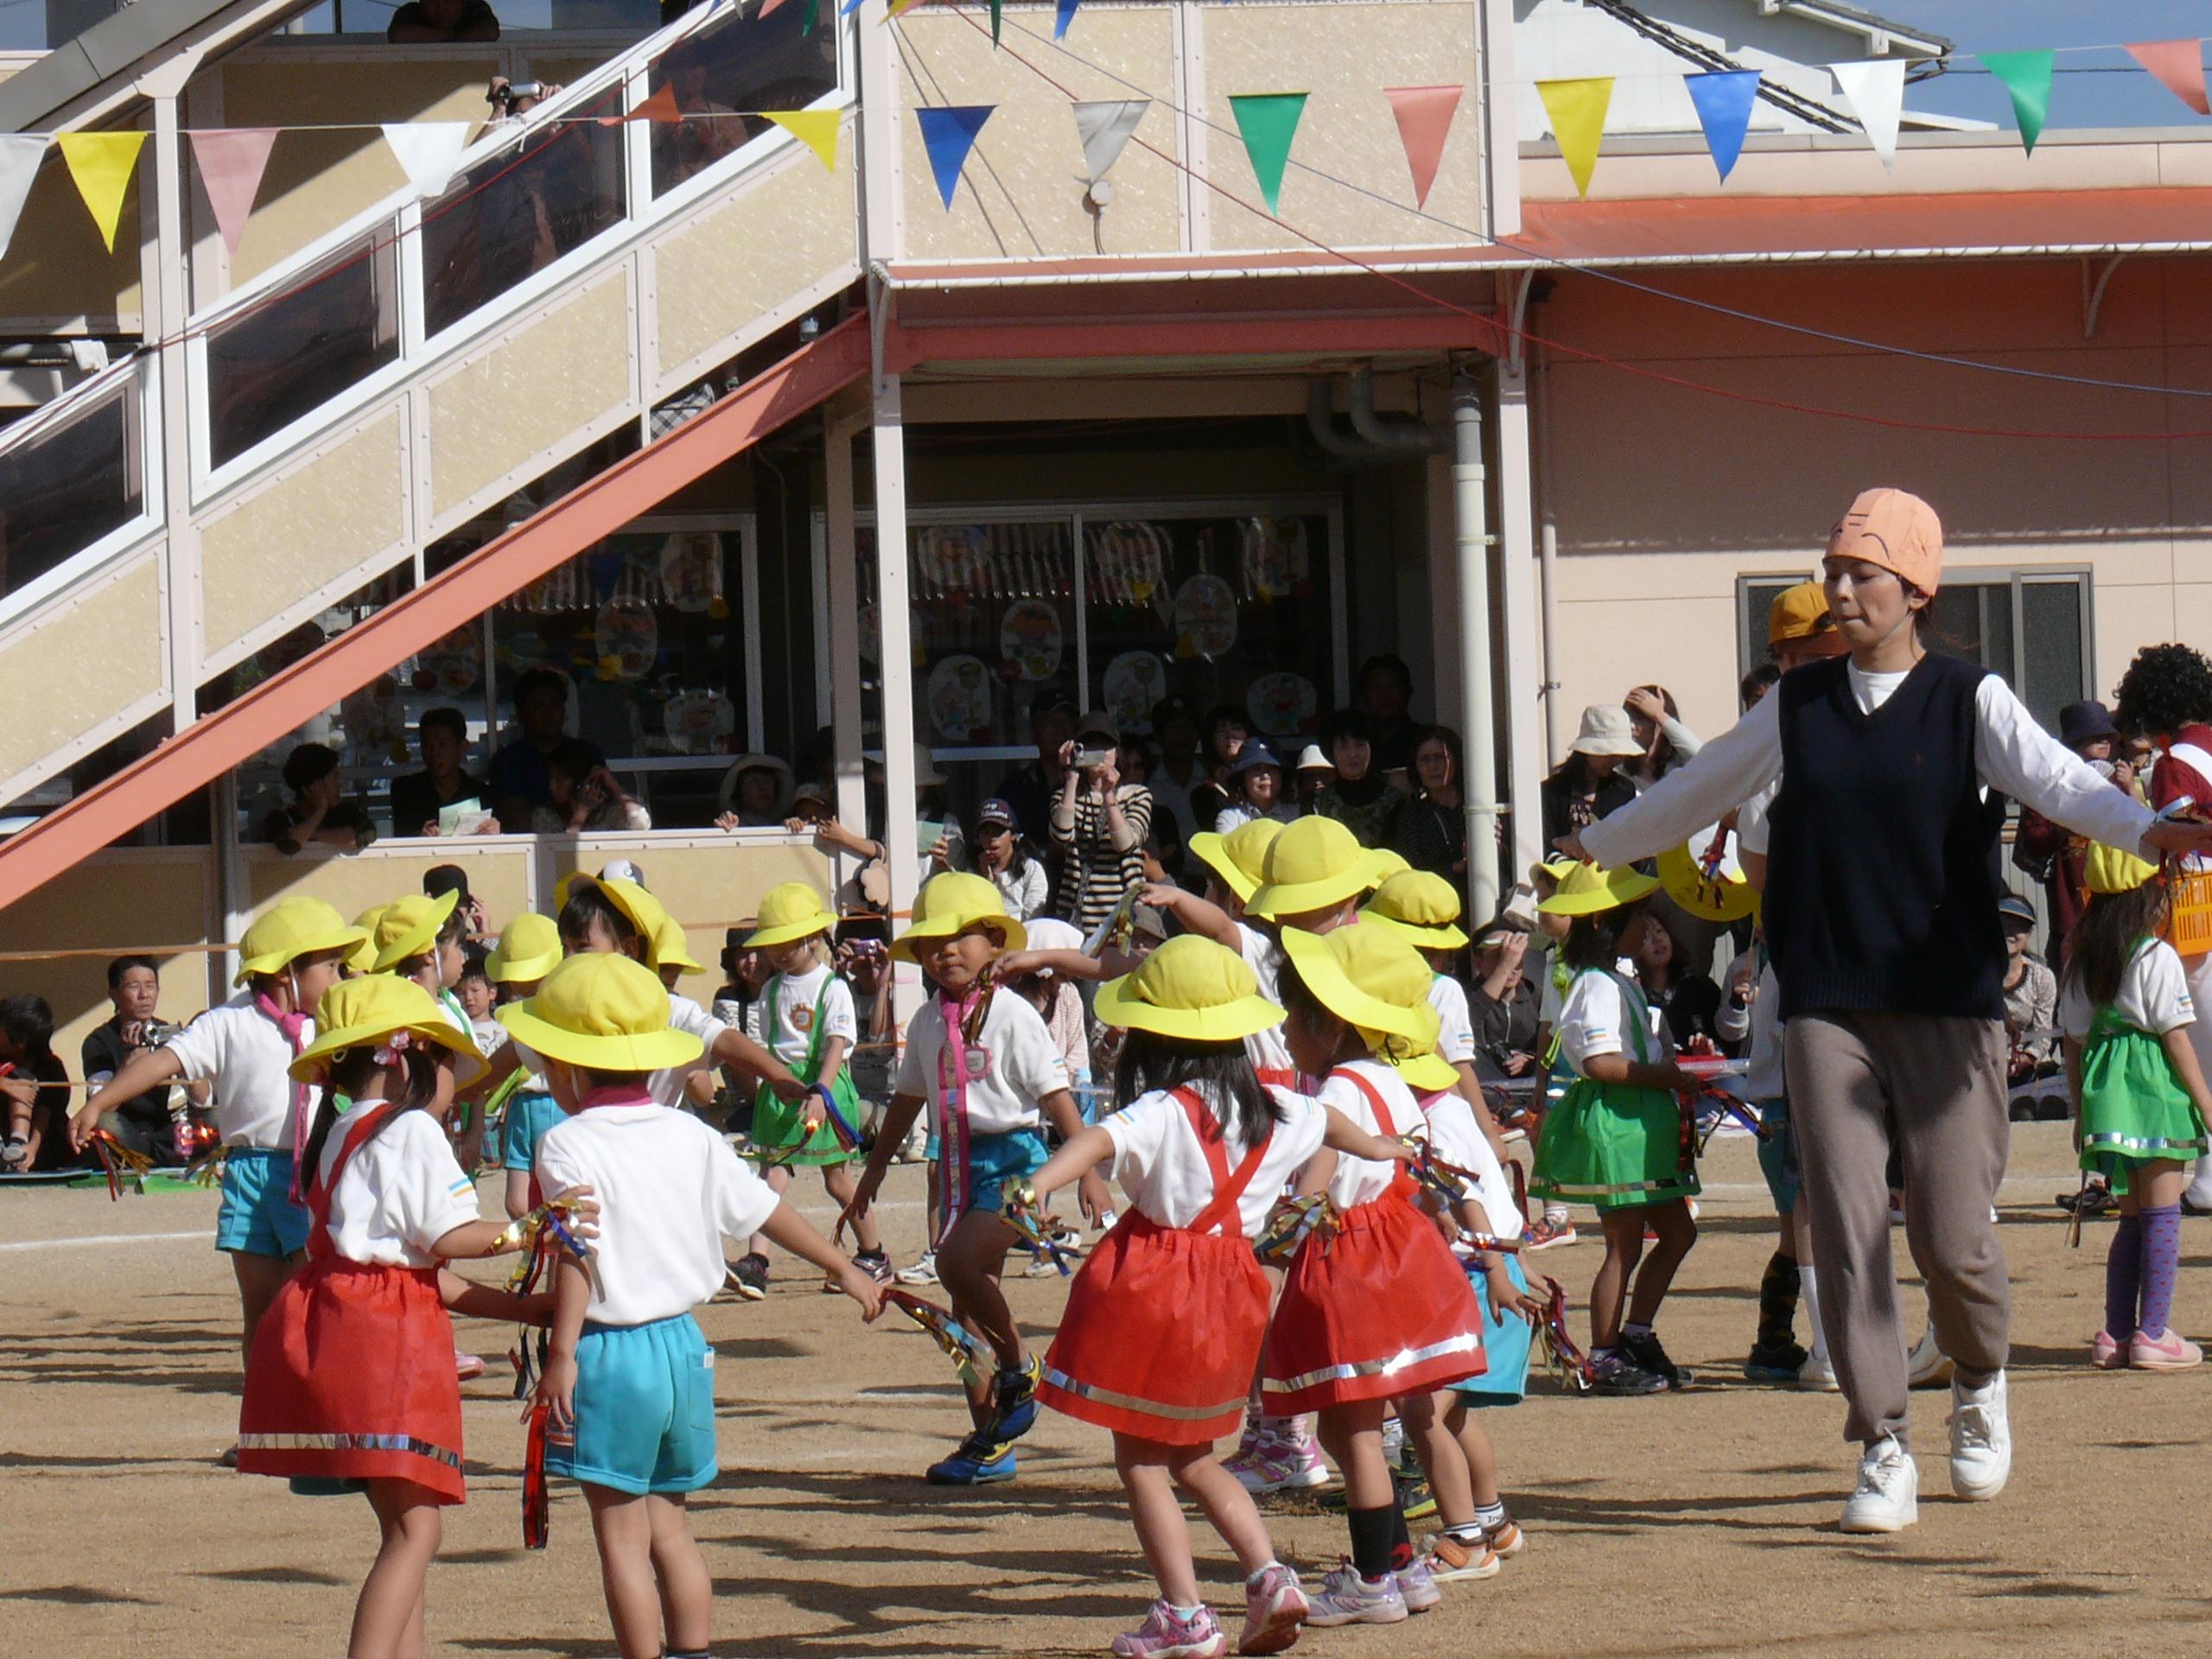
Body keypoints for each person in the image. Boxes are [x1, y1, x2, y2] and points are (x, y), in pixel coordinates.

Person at [1571, 488, 2212, 1533]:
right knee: (1847, 1225)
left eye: (1859, 573)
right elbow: (1702, 784)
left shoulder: (1967, 697)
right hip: (1825, 997)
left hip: (1947, 1001)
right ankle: (1880, 1445)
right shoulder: (1798, 704)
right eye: (1831, 572)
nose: (1839, 590)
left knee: (1954, 1239)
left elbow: (2059, 785)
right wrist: (1597, 844)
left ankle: (1978, 1379)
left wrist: (2148, 833)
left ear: (1915, 588)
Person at [1023, 936, 1414, 1659]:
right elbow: (1329, 1121)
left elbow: (1097, 1142)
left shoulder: (1162, 1108)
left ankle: (1184, 1616)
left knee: (1143, 1462)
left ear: (1153, 1037)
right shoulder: (1277, 1105)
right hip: (1235, 1288)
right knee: (1196, 1456)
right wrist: (1378, 1148)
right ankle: (1269, 1577)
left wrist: (1040, 1183)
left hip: (1156, 1283)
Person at [512, 953, 883, 1659]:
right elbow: (764, 1210)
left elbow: (577, 1253)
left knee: (621, 1541)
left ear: (566, 1068)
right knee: (672, 1531)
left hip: (611, 1354)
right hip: (684, 1349)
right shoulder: (693, 1134)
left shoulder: (565, 1142)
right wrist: (843, 1265)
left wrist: (559, 1355)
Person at [235, 976, 549, 1659]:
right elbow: (449, 1237)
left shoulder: (339, 1131)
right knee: (417, 1533)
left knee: (402, 1530)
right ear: (405, 1058)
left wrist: (523, 1308)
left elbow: (419, 1269)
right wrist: (532, 1231)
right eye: (446, 1061)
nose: (455, 1082)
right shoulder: (411, 1130)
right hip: (388, 1344)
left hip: (342, 1327)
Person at [73, 898, 369, 1454]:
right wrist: (98, 1104)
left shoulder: (340, 1022)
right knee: (261, 1310)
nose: (339, 978)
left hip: (314, 1171)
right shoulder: (228, 1023)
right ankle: (264, 1427)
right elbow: (161, 1063)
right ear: (287, 971)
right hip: (251, 1173)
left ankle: (332, 1420)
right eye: (330, 966)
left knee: (319, 1304)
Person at [844, 874, 1107, 1484]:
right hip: (957, 1163)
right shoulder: (927, 1020)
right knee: (964, 1315)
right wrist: (873, 1170)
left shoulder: (1013, 1015)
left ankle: (1020, 1364)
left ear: (994, 942)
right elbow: (908, 1098)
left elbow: (1055, 1095)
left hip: (1016, 1164)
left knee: (955, 1264)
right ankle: (992, 1439)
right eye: (932, 943)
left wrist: (1088, 1171)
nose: (947, 952)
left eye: (961, 937)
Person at [1263, 925, 1486, 1626]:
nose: (1285, 1032)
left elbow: (1318, 1180)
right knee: (1349, 1426)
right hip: (1399, 1250)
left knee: (1354, 1426)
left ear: (1328, 1023)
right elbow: (1412, 1159)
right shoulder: (1389, 1076)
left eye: (1293, 1017)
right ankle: (1399, 1564)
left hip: (1351, 1257)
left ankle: (1371, 1580)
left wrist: (1273, 1230)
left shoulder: (1337, 1089)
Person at [1529, 863, 1702, 1395]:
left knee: (1678, 1231)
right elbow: (1600, 1063)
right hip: (1620, 1119)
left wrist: (1666, 1068)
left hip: (1641, 1118)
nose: (1647, 925)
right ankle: (1604, 1353)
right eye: (1636, 916)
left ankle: (1636, 1334)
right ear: (1606, 923)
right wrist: (1662, 1075)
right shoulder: (1595, 984)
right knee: (1623, 1243)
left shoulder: (1616, 979)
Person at [2058, 843, 2210, 1372]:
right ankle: (2154, 1333)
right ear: (2146, 898)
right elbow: (2176, 1039)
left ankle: (2117, 1332)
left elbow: (2073, 1043)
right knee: (2163, 1216)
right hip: (2152, 1093)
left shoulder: (2080, 962)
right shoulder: (2155, 956)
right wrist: (2207, 1104)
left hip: (2105, 1098)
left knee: (2131, 1220)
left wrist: (2081, 1114)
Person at [727, 885, 893, 1296]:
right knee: (772, 1175)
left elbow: (837, 1042)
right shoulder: (771, 990)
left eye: (790, 942)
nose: (781, 952)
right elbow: (771, 1043)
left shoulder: (831, 987)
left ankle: (873, 1255)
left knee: (837, 1179)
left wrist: (822, 1092)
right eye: (774, 944)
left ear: (814, 937)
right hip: (782, 1090)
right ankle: (757, 1262)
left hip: (825, 1086)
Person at [2111, 640, 2212, 1218]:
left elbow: (2177, 835)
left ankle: (2209, 1178)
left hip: (2201, 915)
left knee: (2200, 1048)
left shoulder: (2177, 761)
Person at [1360, 871, 1516, 1168]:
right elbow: (1458, 1065)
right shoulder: (1443, 988)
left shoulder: (1365, 981)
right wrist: (1486, 1134)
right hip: (1426, 1111)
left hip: (1373, 1104)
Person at [2013, 699, 2129, 954]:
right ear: (2076, 743)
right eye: (2095, 737)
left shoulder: (2122, 779)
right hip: (2071, 882)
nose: (2105, 742)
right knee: (2072, 950)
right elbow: (2034, 835)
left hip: (2116, 883)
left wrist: (2131, 789)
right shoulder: (2051, 782)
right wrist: (2066, 825)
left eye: (2107, 736)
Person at [79, 958, 197, 1160]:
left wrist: (191, 1049)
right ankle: (150, 1158)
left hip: (163, 1129)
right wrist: (131, 1058)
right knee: (105, 1122)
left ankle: (163, 1156)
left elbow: (200, 1099)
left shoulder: (166, 1033)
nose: (144, 995)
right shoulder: (98, 1042)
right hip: (123, 1129)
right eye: (134, 987)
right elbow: (102, 1108)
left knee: (211, 1118)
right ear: (114, 994)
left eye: (150, 986)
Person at [486, 913, 563, 1222]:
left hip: (544, 1105)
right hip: (538, 1105)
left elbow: (490, 1071)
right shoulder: (564, 1002)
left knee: (531, 1204)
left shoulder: (530, 1014)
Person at [1052, 715, 1153, 935]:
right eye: (1089, 746)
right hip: (1077, 917)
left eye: (1105, 746)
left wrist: (1108, 795)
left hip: (1124, 914)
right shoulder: (1065, 796)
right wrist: (1071, 777)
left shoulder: (1137, 794)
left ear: (1117, 752)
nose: (1098, 752)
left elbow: (1125, 844)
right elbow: (1061, 836)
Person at [995, 698, 1077, 875]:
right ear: (1034, 733)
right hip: (1030, 878)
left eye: (1066, 722)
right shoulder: (1015, 787)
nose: (1060, 729)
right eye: (1051, 722)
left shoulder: (1088, 784)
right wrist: (1047, 850)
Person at [1539, 707, 1642, 847]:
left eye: (1620, 754)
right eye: (1608, 753)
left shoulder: (1623, 790)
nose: (1616, 759)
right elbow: (1545, 846)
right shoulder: (1551, 792)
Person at [490, 667, 571, 832]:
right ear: (521, 714)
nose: (548, 714)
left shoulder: (585, 752)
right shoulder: (508, 761)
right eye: (538, 706)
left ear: (563, 711)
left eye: (554, 705)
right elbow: (515, 819)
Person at [390, 708, 490, 838]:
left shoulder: (482, 794)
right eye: (427, 745)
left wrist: (494, 834)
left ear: (462, 747)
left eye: (443, 745)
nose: (434, 753)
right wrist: (420, 838)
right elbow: (402, 839)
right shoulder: (405, 791)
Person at [1309, 709, 1402, 849]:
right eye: (1343, 746)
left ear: (1372, 748)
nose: (1352, 754)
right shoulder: (1317, 803)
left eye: (1359, 745)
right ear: (1332, 752)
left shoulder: (1394, 801)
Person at [264, 743, 378, 855]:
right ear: (312, 785)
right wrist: (321, 809)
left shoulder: (345, 812)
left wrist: (311, 834)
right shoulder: (279, 819)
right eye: (334, 778)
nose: (339, 785)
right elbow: (289, 844)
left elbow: (367, 834)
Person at [1395, 725, 1470, 894]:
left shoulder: (1474, 807)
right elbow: (1408, 873)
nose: (1432, 766)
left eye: (1439, 758)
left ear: (1456, 760)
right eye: (1424, 760)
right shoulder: (1412, 814)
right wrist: (1456, 868)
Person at [0, 995, 71, 1172]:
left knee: (22, 1083)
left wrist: (31, 1148)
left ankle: (17, 1146)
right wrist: (4, 1084)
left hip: (41, 1145)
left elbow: (46, 1111)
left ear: (20, 1043)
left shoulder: (51, 1067)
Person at [1998, 894, 2059, 1095]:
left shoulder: (2041, 977)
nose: (2010, 931)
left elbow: (2043, 1034)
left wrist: (2025, 1058)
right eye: (2004, 923)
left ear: (2029, 933)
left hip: (2030, 1069)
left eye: (2019, 926)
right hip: (1987, 1066)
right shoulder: (1976, 975)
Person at [534, 740, 650, 834]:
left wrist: (613, 785)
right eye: (551, 779)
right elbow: (563, 851)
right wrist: (582, 812)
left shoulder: (612, 813)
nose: (551, 786)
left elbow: (641, 825)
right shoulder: (545, 816)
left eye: (559, 780)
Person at [972, 798, 1048, 922]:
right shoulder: (972, 874)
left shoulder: (1031, 869)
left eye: (998, 831)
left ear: (1013, 835)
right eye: (986, 832)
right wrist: (987, 882)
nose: (992, 838)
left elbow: (1033, 919)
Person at [1621, 686, 1700, 792]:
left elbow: (1701, 756)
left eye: (1639, 718)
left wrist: (1660, 715)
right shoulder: (1618, 769)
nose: (1631, 726)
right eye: (1626, 718)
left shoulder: (1679, 764)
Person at [1186, 704, 1249, 840]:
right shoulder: (1203, 794)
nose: (1230, 736)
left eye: (1237, 728)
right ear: (1211, 741)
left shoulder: (1264, 778)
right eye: (1221, 731)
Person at [1357, 652, 1422, 780]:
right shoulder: (1352, 746)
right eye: (1376, 688)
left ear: (1407, 692)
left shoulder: (1423, 742)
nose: (1384, 695)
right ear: (1363, 695)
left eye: (1392, 687)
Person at [1213, 740, 1294, 833]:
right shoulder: (1229, 818)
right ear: (1243, 778)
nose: (1265, 775)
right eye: (1257, 769)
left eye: (1272, 768)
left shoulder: (1296, 813)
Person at [715, 753, 795, 830]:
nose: (763, 787)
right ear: (740, 789)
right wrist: (724, 828)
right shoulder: (734, 827)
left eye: (768, 780)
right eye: (754, 780)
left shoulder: (783, 825)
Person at [386, 0, 499, 41]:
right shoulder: (412, 11)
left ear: (463, 2)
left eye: (449, 1)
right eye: (432, 1)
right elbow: (399, 35)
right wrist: (457, 36)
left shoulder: (475, 8)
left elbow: (490, 32)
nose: (441, 8)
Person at [1294, 745, 1335, 811]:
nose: (1317, 781)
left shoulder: (1345, 807)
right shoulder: (1291, 810)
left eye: (1323, 774)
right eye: (1310, 776)